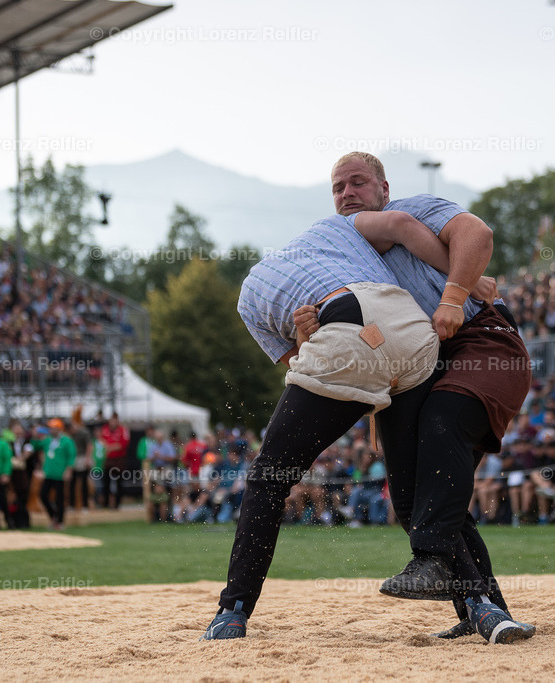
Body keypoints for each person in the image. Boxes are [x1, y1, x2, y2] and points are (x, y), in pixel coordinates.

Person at [202, 190, 469, 641]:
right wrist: (462, 286)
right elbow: (405, 225)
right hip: (414, 331)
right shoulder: (343, 230)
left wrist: (309, 338)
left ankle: (234, 610)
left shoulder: (250, 296)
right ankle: (480, 605)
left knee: (269, 478)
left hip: (343, 326)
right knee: (415, 487)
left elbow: (309, 366)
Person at [323, 152, 534, 642]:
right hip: (416, 361)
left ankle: (432, 559)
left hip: (482, 338)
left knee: (443, 422)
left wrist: (454, 297)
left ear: (384, 188)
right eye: (338, 187)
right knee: (414, 494)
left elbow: (477, 235)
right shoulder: (345, 249)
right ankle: (486, 610)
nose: (347, 193)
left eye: (358, 183)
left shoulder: (414, 209)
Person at [34, 418, 76, 530]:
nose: (51, 430)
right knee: (43, 496)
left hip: (60, 474)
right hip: (48, 473)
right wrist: (36, 435)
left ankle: (60, 522)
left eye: (53, 428)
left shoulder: (66, 441)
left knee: (60, 499)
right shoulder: (47, 440)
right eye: (50, 428)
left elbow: (71, 456)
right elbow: (36, 445)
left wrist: (68, 470)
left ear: (59, 429)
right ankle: (53, 517)